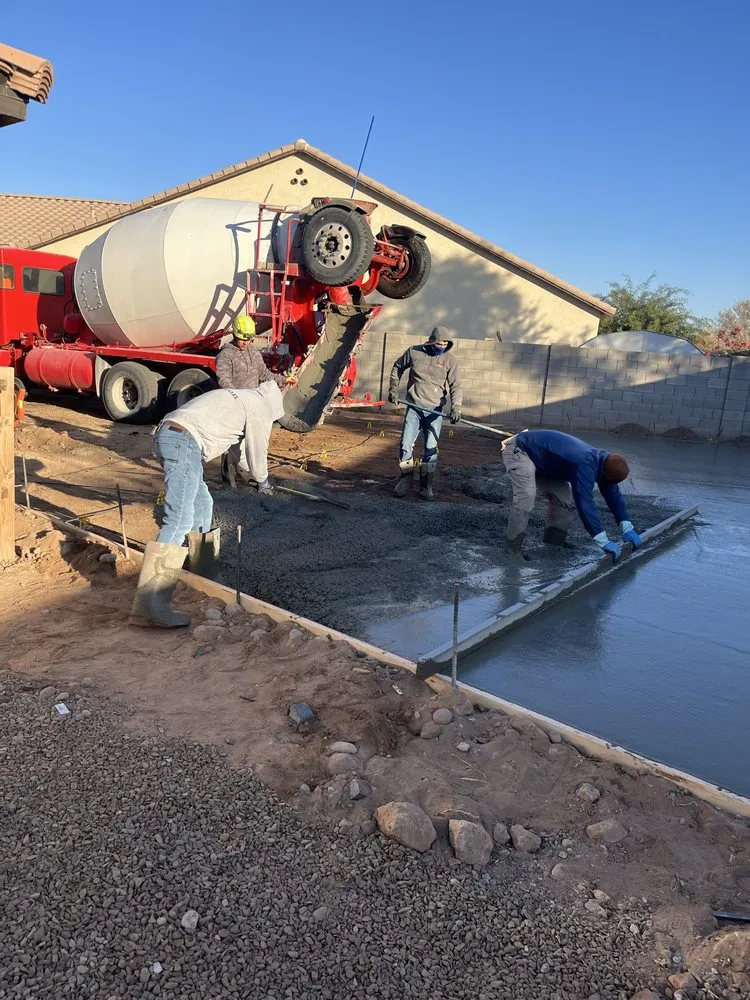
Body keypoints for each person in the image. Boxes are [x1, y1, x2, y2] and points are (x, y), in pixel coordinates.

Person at [129, 382, 284, 630]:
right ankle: (150, 605)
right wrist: (263, 482)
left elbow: (240, 452)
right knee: (179, 518)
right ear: (276, 407)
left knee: (203, 503)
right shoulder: (260, 408)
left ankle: (204, 571)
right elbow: (257, 452)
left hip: (174, 436)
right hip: (183, 442)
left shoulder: (241, 399)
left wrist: (251, 476)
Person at [501, 429, 641, 560]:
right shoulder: (584, 464)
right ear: (605, 473)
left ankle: (552, 545)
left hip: (544, 460)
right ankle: (512, 551)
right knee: (526, 495)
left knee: (565, 500)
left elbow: (613, 494)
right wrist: (601, 539)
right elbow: (585, 502)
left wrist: (626, 525)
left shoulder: (602, 462)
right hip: (520, 450)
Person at [388, 326, 462, 500]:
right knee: (405, 444)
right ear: (431, 341)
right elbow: (397, 367)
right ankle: (405, 478)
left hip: (434, 411)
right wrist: (393, 389)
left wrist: (456, 407)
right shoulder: (414, 352)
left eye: (445, 343)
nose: (442, 345)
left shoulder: (450, 361)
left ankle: (426, 485)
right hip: (414, 407)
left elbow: (456, 386)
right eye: (439, 342)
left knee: (430, 448)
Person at [215, 315, 290, 486]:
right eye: (243, 340)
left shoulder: (254, 354)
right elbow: (223, 380)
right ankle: (229, 482)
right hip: (235, 406)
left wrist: (283, 380)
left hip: (253, 407)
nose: (246, 343)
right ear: (235, 335)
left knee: (251, 444)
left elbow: (265, 375)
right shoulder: (225, 356)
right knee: (232, 444)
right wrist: (238, 397)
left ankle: (250, 476)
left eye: (249, 340)